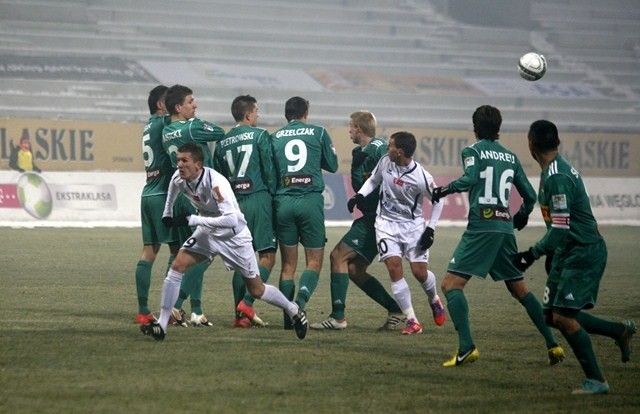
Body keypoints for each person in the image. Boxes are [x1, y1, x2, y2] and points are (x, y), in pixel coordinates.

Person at [431, 105, 564, 367]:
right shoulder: (510, 157)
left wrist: (444, 190)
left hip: (482, 227)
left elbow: (469, 179)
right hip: (504, 229)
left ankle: (467, 348)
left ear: (475, 127)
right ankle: (554, 344)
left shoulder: (472, 151)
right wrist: (522, 214)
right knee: (521, 290)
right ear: (498, 128)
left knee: (450, 286)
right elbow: (530, 196)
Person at [513, 119, 636, 395]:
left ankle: (597, 380)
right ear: (557, 142)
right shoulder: (553, 171)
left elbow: (560, 226)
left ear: (531, 145)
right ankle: (619, 331)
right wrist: (553, 251)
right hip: (566, 250)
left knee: (565, 318)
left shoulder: (557, 176)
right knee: (550, 316)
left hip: (583, 251)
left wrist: (530, 255)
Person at [139, 142, 308, 341]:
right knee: (177, 266)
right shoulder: (179, 177)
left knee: (257, 289)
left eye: (185, 161)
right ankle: (162, 324)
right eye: (178, 160)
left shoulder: (215, 182)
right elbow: (173, 188)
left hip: (234, 237)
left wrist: (193, 219)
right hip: (208, 233)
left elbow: (232, 219)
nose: (180, 165)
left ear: (198, 165)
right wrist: (167, 213)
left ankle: (294, 310)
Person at [310, 111, 406, 331]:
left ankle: (338, 317)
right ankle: (396, 309)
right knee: (354, 269)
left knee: (337, 255)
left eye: (351, 126)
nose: (349, 130)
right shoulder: (361, 152)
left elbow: (393, 177)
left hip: (380, 218)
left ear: (359, 129)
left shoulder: (379, 149)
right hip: (371, 217)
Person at [347, 131, 446, 335]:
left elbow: (438, 200)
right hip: (385, 224)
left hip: (413, 228)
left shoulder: (421, 177)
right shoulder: (385, 162)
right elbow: (374, 180)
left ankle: (434, 299)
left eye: (390, 145)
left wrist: (430, 229)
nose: (386, 148)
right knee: (394, 268)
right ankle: (412, 320)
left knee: (419, 273)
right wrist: (358, 195)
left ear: (399, 152)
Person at [270, 96, 339, 329]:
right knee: (314, 262)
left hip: (284, 202)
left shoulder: (274, 137)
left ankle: (287, 318)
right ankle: (298, 306)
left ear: (286, 115)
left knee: (288, 265)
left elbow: (271, 173)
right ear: (306, 113)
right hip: (310, 202)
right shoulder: (318, 132)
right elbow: (333, 165)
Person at [161, 84, 226, 327]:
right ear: (179, 107)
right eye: (191, 101)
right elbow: (219, 132)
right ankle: (177, 306)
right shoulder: (192, 126)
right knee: (203, 256)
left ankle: (195, 311)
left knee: (183, 255)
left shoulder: (167, 130)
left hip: (179, 197)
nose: (195, 105)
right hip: (196, 199)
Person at [213, 95, 276, 328]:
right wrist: (273, 196)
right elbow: (269, 171)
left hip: (234, 205)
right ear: (248, 114)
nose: (258, 115)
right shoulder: (260, 135)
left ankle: (240, 317)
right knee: (268, 257)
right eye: (256, 111)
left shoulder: (222, 143)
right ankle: (247, 304)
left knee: (242, 261)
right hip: (258, 198)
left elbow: (217, 180)